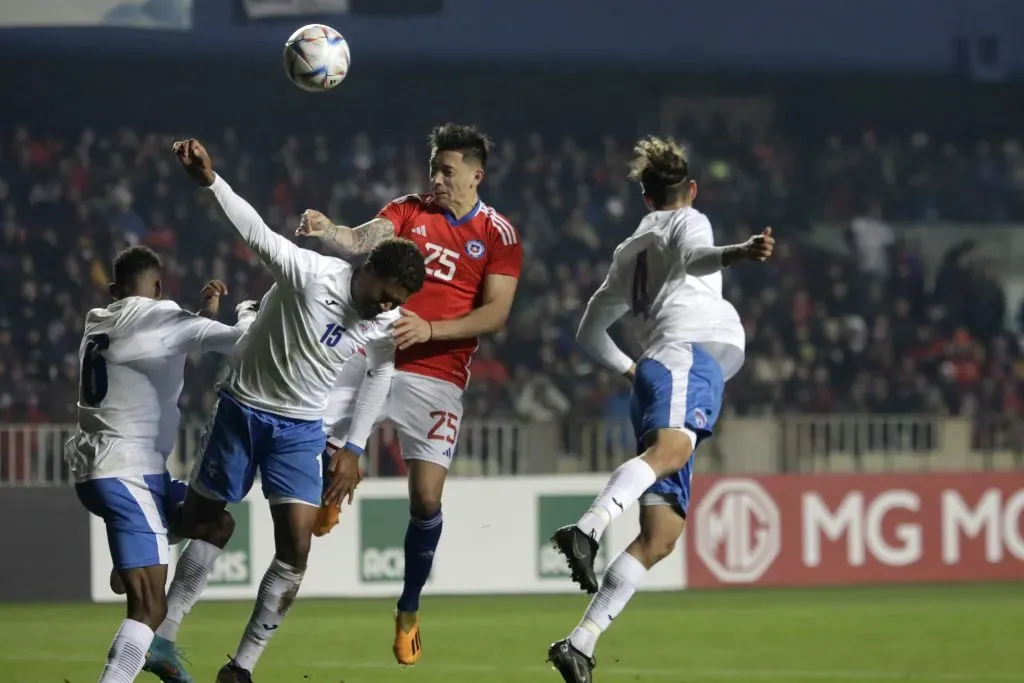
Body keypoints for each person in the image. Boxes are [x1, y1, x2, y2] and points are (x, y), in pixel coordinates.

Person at [151, 139, 424, 683]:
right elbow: (253, 229)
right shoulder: (311, 274)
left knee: (295, 548)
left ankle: (241, 668)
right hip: (242, 409)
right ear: (369, 270)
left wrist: (352, 446)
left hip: (299, 429)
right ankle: (162, 635)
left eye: (397, 302)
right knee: (206, 524)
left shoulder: (385, 322)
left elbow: (382, 371)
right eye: (386, 295)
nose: (387, 308)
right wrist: (211, 180)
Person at [545, 136, 775, 683]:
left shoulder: (628, 253)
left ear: (645, 198)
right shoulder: (689, 221)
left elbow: (587, 332)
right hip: (685, 356)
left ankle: (580, 643)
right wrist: (738, 253)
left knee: (662, 534)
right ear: (689, 191)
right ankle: (587, 529)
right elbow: (695, 258)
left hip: (662, 369)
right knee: (669, 451)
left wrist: (629, 369)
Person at [297, 122, 522, 665]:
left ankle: (408, 608)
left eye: (448, 171)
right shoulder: (408, 210)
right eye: (434, 170)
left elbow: (496, 313)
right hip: (377, 350)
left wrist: (431, 330)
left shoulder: (498, 235)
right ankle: (333, 485)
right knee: (307, 418)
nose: (438, 180)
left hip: (438, 373)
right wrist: (330, 230)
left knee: (425, 499)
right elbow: (364, 239)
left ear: (476, 174)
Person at [65, 245, 256, 683]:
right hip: (126, 472)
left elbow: (155, 337)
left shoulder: (99, 320)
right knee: (148, 607)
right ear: (160, 288)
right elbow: (240, 342)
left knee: (214, 524)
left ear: (115, 290)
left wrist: (196, 317)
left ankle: (162, 639)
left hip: (114, 469)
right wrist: (245, 312)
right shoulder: (162, 317)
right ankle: (143, 642)